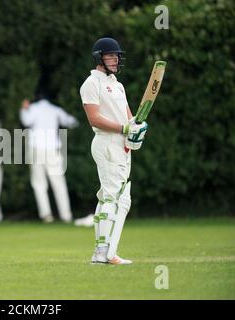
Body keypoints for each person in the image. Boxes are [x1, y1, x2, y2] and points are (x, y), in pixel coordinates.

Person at [80, 37, 148, 265]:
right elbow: (95, 119)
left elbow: (129, 116)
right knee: (113, 196)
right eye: (111, 55)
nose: (116, 59)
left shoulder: (117, 84)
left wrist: (137, 127)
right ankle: (105, 253)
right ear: (99, 57)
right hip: (107, 142)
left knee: (111, 196)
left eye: (117, 55)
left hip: (120, 144)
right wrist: (124, 128)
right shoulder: (92, 83)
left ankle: (103, 251)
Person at [20, 94, 78, 223]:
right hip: (52, 148)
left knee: (39, 183)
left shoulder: (33, 108)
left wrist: (24, 109)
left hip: (36, 148)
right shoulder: (55, 109)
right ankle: (66, 215)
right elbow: (71, 121)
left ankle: (46, 215)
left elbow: (26, 121)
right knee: (59, 183)